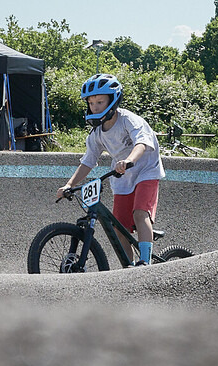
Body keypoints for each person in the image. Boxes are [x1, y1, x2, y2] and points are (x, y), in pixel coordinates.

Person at [57, 74, 164, 266]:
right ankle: (128, 267)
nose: (95, 107)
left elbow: (141, 142)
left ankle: (146, 264)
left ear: (113, 100)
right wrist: (69, 184)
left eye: (100, 101)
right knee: (118, 226)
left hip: (146, 169)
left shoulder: (128, 120)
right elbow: (88, 161)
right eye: (91, 103)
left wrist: (128, 160)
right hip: (122, 174)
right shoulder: (96, 133)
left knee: (140, 213)